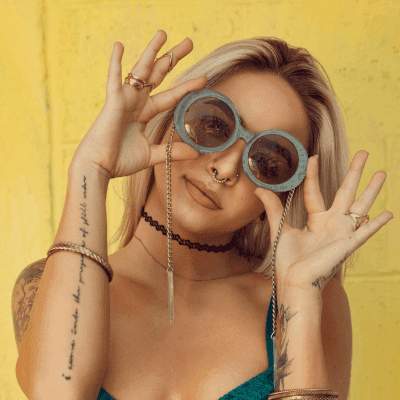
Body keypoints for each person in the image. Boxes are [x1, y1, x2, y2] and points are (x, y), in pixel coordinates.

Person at [12, 30, 393, 400]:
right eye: (214, 126)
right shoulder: (43, 284)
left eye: (267, 160)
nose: (225, 168)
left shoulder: (312, 296)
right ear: (169, 122)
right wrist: (91, 169)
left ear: (282, 193)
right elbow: (59, 393)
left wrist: (300, 299)